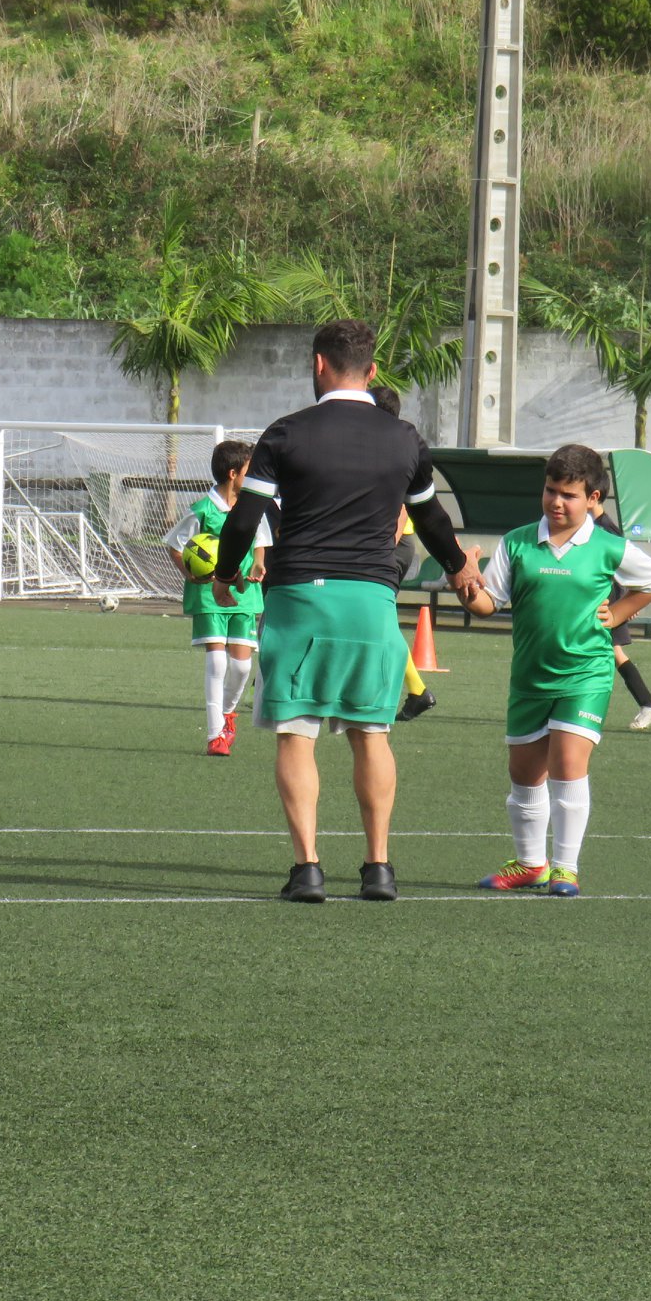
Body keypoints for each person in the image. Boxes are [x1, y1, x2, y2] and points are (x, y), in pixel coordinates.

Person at [212, 320, 477, 903]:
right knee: (371, 733)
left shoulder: (284, 434)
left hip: (299, 598)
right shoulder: (404, 437)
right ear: (373, 371)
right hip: (371, 601)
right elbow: (430, 521)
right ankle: (378, 867)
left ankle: (308, 868)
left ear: (318, 365)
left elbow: (242, 519)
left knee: (296, 735)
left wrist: (227, 576)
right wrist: (459, 567)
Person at [460, 445, 651, 897]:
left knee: (567, 764)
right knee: (524, 772)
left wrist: (621, 610)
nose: (556, 502)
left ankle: (565, 868)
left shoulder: (609, 546)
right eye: (551, 491)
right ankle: (530, 865)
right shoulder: (516, 542)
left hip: (586, 673)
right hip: (530, 675)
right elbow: (486, 604)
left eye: (569, 495)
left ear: (593, 499)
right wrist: (465, 584)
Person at [162, 439, 270, 756]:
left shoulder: (253, 506)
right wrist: (190, 574)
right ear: (234, 474)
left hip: (244, 593)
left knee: (241, 667)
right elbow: (175, 545)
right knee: (218, 660)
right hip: (209, 593)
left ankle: (227, 715)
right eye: (249, 471)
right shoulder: (202, 510)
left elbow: (261, 540)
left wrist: (260, 564)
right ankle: (215, 735)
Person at [369, 384, 437, 722]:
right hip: (391, 545)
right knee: (377, 620)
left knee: (379, 621)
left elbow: (400, 508)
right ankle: (415, 690)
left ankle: (417, 690)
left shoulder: (390, 447)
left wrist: (383, 545)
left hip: (392, 546)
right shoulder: (386, 443)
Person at [595, 501, 651, 729]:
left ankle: (648, 704)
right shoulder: (591, 525)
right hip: (605, 602)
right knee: (611, 652)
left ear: (593, 497)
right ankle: (648, 704)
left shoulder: (604, 527)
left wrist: (626, 604)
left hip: (607, 604)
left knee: (612, 652)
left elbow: (619, 566)